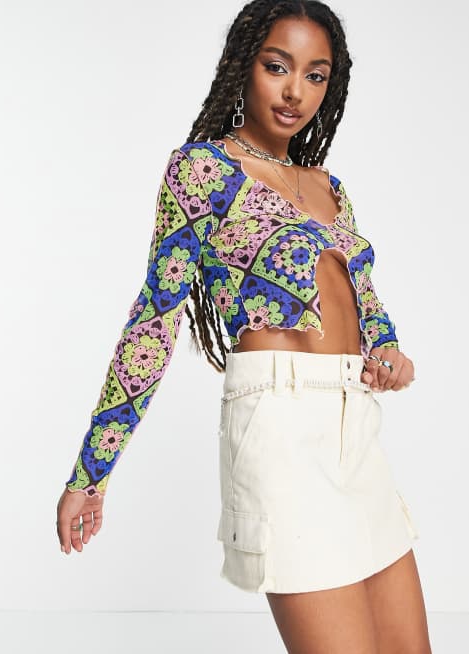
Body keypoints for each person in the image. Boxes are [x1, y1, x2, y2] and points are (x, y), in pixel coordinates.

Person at [56, 1, 432, 651]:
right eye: (276, 66)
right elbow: (152, 325)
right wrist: (91, 473)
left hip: (356, 427)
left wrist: (390, 354)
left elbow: (368, 305)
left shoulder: (330, 188)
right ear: (243, 66)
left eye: (315, 75)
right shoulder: (202, 170)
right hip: (279, 425)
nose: (294, 92)